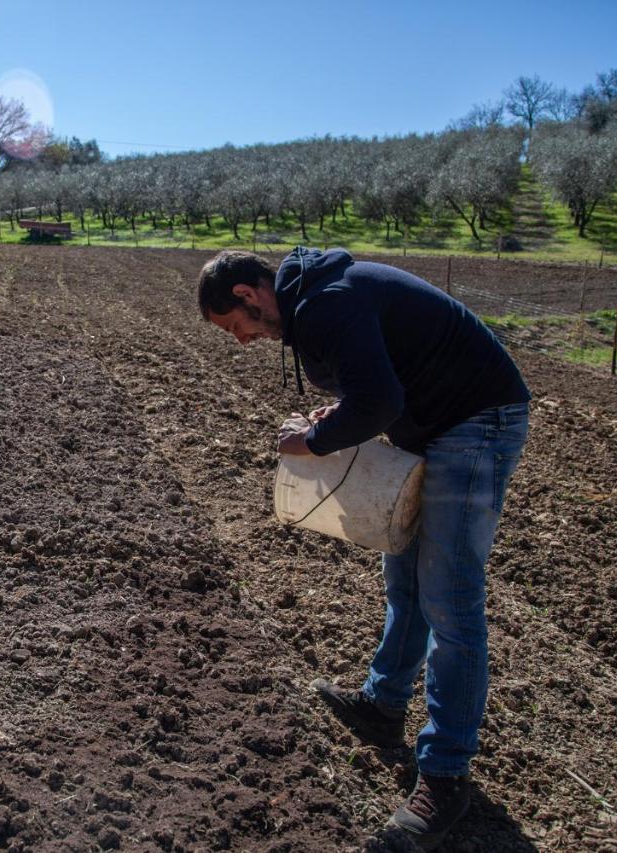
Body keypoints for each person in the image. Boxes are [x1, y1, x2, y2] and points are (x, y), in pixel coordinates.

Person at [196, 247, 530, 850]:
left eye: (234, 327)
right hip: (434, 424)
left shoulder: (327, 303)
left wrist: (314, 439)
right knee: (403, 577)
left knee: (451, 600)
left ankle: (446, 774)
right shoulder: (312, 305)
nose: (242, 341)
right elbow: (376, 385)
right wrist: (345, 410)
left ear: (248, 295)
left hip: (478, 421)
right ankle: (383, 704)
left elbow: (380, 402)